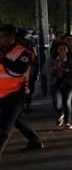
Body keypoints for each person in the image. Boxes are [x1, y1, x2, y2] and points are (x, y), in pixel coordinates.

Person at [0, 25, 44, 160]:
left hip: (16, 93)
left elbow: (19, 69)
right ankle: (34, 140)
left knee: (4, 125)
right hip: (2, 92)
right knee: (17, 118)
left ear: (10, 37)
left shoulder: (24, 52)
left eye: (1, 37)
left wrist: (2, 58)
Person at [49, 41, 72, 129]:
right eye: (60, 49)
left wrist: (66, 70)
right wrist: (53, 70)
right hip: (56, 83)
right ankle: (60, 114)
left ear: (67, 50)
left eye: (64, 49)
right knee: (57, 102)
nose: (62, 51)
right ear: (57, 50)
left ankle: (67, 122)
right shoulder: (53, 60)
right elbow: (46, 70)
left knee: (67, 102)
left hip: (68, 83)